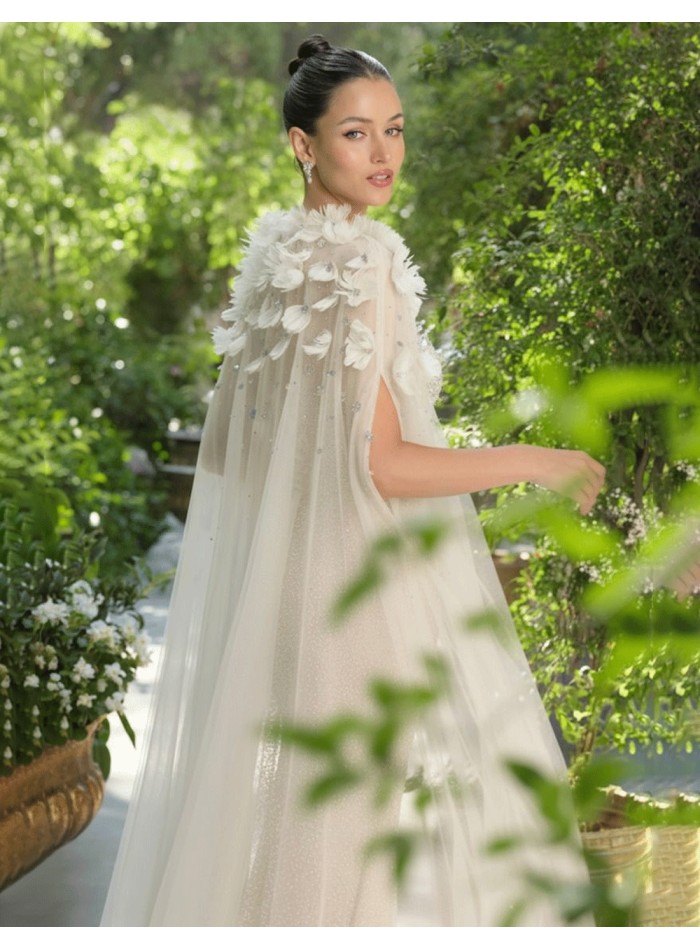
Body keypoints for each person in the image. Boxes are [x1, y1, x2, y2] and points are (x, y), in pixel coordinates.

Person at [101, 36, 605, 927]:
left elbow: (235, 456)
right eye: (357, 135)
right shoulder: (359, 262)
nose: (384, 157)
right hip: (355, 595)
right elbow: (380, 464)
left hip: (290, 585)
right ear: (305, 144)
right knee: (341, 859)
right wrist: (540, 462)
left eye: (395, 131)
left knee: (313, 836)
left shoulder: (272, 261)